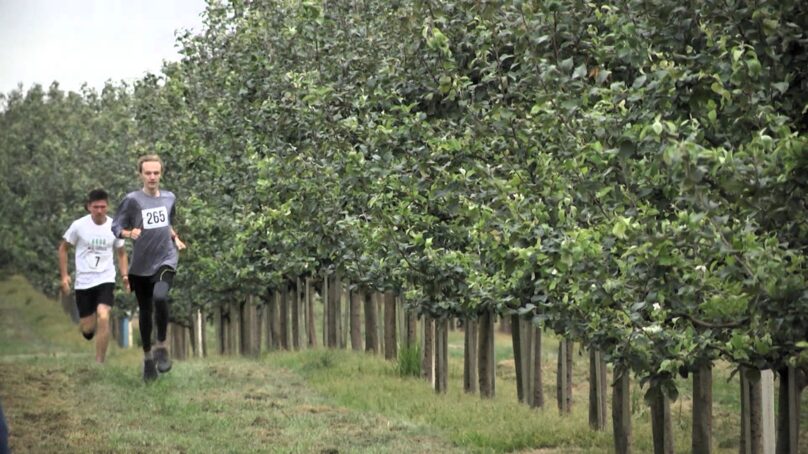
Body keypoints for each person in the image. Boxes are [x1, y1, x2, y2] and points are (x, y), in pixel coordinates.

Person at [112, 154, 186, 382]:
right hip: (141, 265)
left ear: (161, 173)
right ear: (141, 175)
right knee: (145, 312)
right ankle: (147, 359)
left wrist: (176, 238)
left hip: (165, 258)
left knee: (161, 297)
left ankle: (161, 345)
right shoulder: (132, 200)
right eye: (148, 173)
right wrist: (128, 233)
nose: (152, 177)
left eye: (156, 172)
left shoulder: (170, 197)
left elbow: (167, 223)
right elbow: (116, 225)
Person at [58, 189, 128, 363]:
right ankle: (88, 330)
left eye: (103, 207)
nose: (99, 210)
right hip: (84, 282)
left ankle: (99, 362)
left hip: (105, 279)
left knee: (103, 315)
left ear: (107, 206)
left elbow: (121, 253)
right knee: (88, 329)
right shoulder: (78, 226)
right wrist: (64, 275)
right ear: (89, 207)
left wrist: (125, 275)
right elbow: (63, 249)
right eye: (96, 207)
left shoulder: (114, 226)